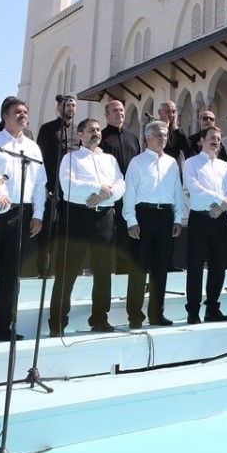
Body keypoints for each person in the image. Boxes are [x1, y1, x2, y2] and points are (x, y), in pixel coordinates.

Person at [48, 118, 125, 335]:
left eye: (98, 129)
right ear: (80, 135)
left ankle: (100, 318)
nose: (96, 133)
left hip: (104, 218)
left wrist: (105, 194)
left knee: (103, 271)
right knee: (68, 271)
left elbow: (121, 185)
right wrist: (98, 187)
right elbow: (68, 186)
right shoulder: (70, 158)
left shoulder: (110, 160)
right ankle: (58, 322)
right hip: (78, 218)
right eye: (91, 130)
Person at [0, 98, 46, 341]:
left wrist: (38, 214)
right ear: (5, 116)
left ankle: (4, 327)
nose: (23, 115)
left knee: (12, 275)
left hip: (21, 214)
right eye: (17, 112)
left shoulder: (33, 148)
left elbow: (40, 183)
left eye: (25, 111)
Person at [123, 120, 183, 328]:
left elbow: (177, 191)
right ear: (148, 137)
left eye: (165, 135)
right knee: (139, 268)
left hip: (165, 216)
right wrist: (131, 220)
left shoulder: (172, 163)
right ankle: (135, 316)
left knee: (160, 269)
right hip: (143, 215)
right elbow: (129, 192)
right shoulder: (137, 162)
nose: (162, 138)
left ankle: (157, 314)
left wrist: (177, 218)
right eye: (158, 135)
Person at [182, 125, 227, 323]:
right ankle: (193, 311)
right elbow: (195, 188)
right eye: (212, 137)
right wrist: (221, 200)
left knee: (218, 266)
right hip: (200, 219)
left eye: (218, 139)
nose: (216, 141)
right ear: (201, 141)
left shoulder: (225, 166)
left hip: (220, 219)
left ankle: (213, 308)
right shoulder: (191, 163)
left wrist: (224, 206)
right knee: (195, 266)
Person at [35, 93, 78, 275]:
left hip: (72, 191)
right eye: (67, 105)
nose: (71, 108)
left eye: (73, 105)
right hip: (51, 188)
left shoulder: (77, 132)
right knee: (48, 232)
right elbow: (39, 159)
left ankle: (63, 269)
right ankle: (43, 271)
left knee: (67, 231)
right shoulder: (47, 129)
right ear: (59, 108)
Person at [101, 99, 142, 273]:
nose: (120, 113)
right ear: (107, 115)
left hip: (131, 194)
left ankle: (126, 272)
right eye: (115, 110)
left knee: (130, 234)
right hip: (110, 195)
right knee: (109, 235)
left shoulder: (132, 137)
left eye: (121, 110)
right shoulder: (102, 137)